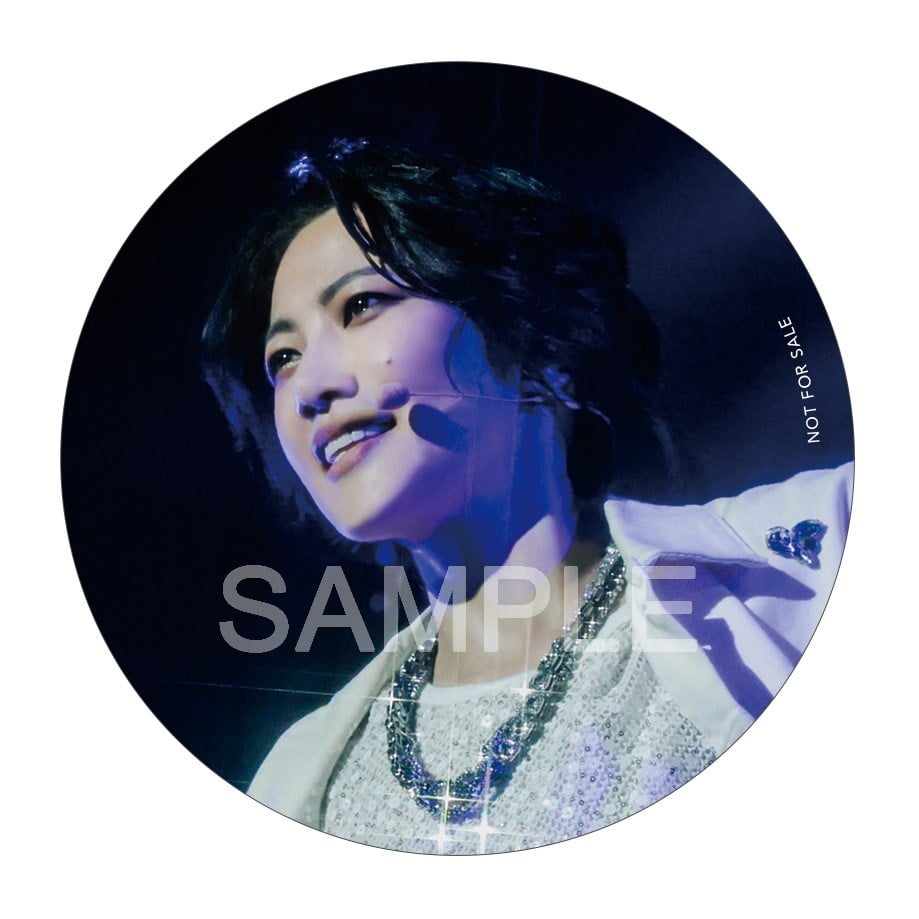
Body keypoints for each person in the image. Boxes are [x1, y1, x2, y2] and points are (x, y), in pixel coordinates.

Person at [202, 141, 852, 854]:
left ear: (536, 339)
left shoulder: (820, 553)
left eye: (361, 305)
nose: (308, 387)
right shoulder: (296, 787)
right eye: (283, 357)